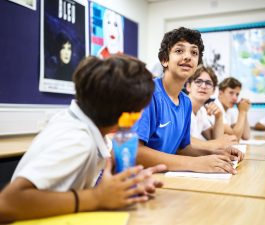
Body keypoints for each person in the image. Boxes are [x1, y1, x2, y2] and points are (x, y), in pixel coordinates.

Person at [0, 55, 166, 223]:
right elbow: (6, 204)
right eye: (139, 111)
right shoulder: (78, 141)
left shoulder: (77, 122)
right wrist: (97, 197)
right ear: (125, 116)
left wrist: (121, 185)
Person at [133, 27, 243, 174]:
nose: (187, 57)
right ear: (165, 60)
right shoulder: (148, 93)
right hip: (134, 181)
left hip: (162, 178)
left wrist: (215, 156)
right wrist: (195, 163)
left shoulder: (185, 102)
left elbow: (182, 147)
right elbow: (135, 152)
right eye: (179, 51)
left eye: (194, 52)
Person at [185, 66, 238, 151]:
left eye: (208, 83)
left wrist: (219, 116)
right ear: (188, 86)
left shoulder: (201, 110)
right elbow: (181, 142)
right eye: (198, 81)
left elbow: (214, 138)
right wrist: (218, 143)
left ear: (213, 91)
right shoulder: (181, 107)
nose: (203, 86)